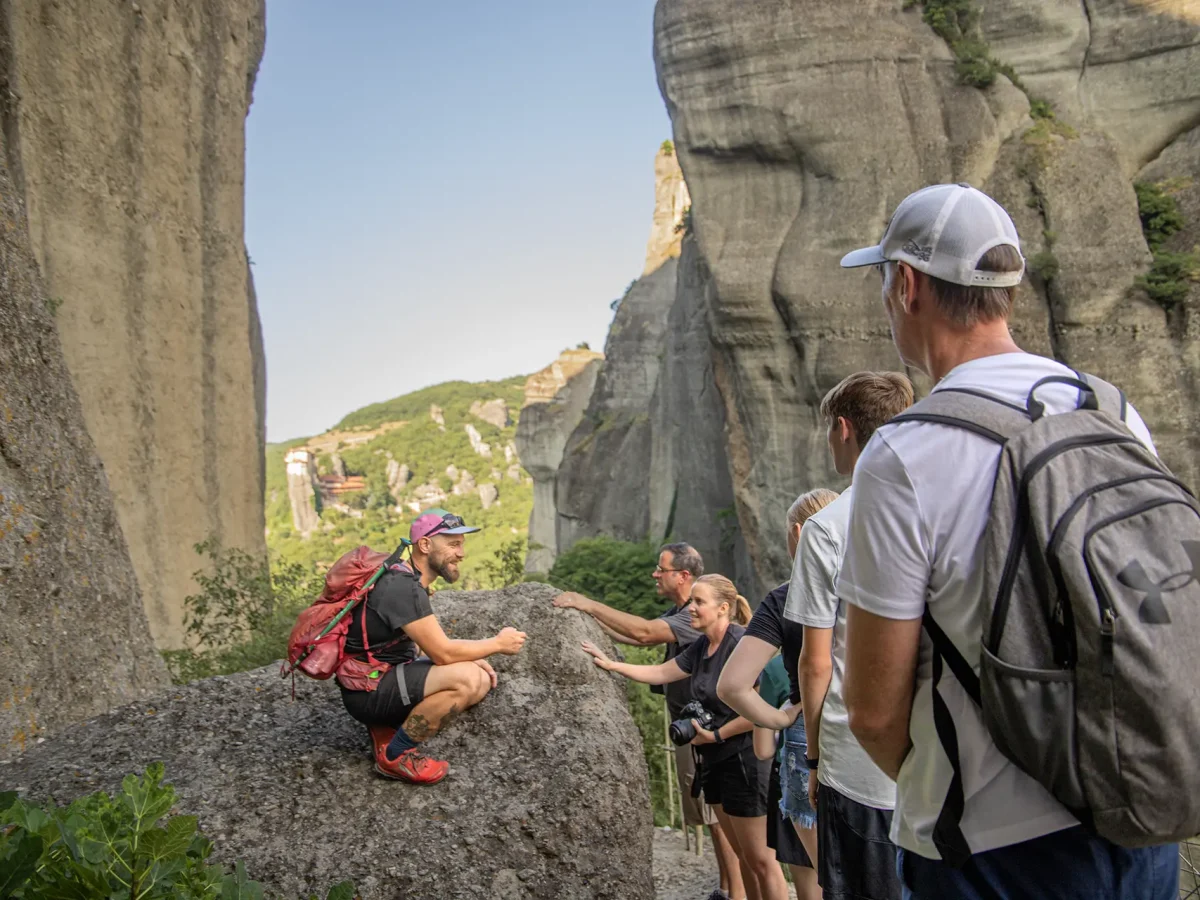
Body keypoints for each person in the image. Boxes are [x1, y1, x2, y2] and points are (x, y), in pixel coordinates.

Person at [836, 183, 1177, 898]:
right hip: (1139, 812)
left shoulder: (903, 454)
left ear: (906, 284)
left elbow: (872, 713)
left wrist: (942, 781)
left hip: (988, 852)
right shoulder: (1109, 408)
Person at [784, 372, 914, 900]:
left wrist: (813, 761)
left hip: (855, 762)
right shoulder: (936, 504)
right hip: (934, 759)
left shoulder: (826, 527)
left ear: (842, 429)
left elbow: (816, 664)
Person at [581, 575, 790, 900]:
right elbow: (663, 673)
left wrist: (717, 733)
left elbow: (761, 711)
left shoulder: (740, 643)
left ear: (723, 608)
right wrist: (611, 665)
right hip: (714, 761)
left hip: (744, 761)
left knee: (763, 860)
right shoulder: (702, 647)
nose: (690, 608)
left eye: (698, 602)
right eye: (691, 601)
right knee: (746, 860)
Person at [554, 544, 741, 900]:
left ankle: (733, 890)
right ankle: (727, 888)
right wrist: (592, 629)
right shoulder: (681, 613)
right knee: (713, 815)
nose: (655, 574)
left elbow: (643, 633)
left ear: (683, 575)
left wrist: (587, 603)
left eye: (662, 569)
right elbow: (635, 638)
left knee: (719, 819)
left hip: (708, 732)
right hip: (691, 728)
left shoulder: (692, 617)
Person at [338, 508, 527, 784]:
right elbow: (443, 653)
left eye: (461, 544)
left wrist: (473, 655)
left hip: (378, 678)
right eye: (453, 544)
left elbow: (429, 644)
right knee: (469, 681)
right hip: (369, 691)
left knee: (475, 672)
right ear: (425, 545)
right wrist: (496, 644)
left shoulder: (407, 579)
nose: (461, 553)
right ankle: (395, 755)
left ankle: (384, 726)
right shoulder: (403, 588)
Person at [718, 487, 840, 900]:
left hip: (807, 739)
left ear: (799, 533)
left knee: (829, 879)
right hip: (874, 728)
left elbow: (733, 685)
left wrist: (781, 718)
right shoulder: (875, 584)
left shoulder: (784, 598)